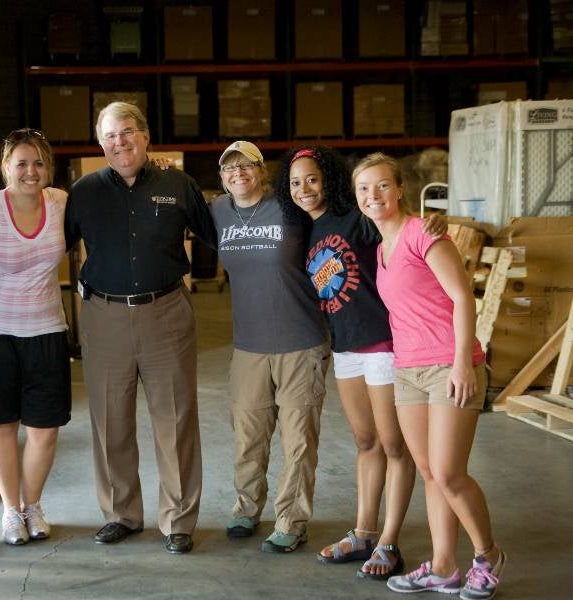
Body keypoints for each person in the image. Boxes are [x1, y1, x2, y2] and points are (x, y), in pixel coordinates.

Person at [64, 101, 217, 554]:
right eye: (110, 136)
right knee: (110, 422)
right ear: (101, 143)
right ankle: (120, 514)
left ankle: (178, 520)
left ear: (146, 137)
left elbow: (217, 231)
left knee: (175, 419)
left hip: (165, 313)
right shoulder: (84, 191)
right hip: (104, 316)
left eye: (127, 132)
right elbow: (49, 240)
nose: (119, 142)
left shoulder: (177, 183)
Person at [353, 153, 505, 599]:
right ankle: (442, 567)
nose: (373, 195)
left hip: (448, 364)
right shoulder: (381, 249)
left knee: (449, 472)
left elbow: (463, 298)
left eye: (382, 185)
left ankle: (488, 555)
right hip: (409, 368)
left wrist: (462, 361)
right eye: (364, 188)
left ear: (400, 189)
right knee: (428, 471)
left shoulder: (424, 234)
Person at [280, 145, 417, 580]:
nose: (304, 189)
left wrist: (428, 223)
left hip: (382, 342)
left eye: (313, 179)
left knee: (394, 445)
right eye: (295, 182)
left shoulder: (356, 217)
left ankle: (390, 542)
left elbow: (402, 233)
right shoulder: (306, 229)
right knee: (365, 443)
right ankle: (363, 533)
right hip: (345, 348)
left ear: (330, 181)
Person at [209, 141, 330, 554]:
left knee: (298, 442)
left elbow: (340, 227)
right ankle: (246, 507)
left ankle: (292, 521)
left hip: (300, 342)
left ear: (262, 170)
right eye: (229, 168)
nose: (238, 173)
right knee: (248, 435)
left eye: (247, 166)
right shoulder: (218, 212)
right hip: (249, 346)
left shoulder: (290, 205)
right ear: (221, 177)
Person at [0, 128, 71, 546]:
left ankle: (33, 506)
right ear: (5, 167)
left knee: (44, 427)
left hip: (45, 328)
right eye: (21, 163)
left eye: (38, 163)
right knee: (1, 424)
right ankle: (10, 512)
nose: (30, 171)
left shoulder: (59, 202)